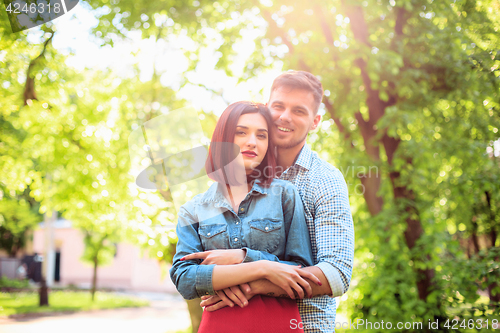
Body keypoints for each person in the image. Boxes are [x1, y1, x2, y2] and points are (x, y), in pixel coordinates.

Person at [200, 71, 355, 333]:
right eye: (279, 106)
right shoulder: (238, 173)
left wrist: (252, 283)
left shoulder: (325, 180)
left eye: (299, 111)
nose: (285, 117)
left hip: (304, 327)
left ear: (315, 121)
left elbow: (337, 273)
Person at [169, 101, 322, 332]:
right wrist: (261, 268)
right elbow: (185, 279)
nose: (252, 141)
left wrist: (241, 257)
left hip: (278, 325)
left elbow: (302, 272)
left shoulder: (284, 194)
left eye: (262, 136)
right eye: (241, 132)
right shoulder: (193, 210)